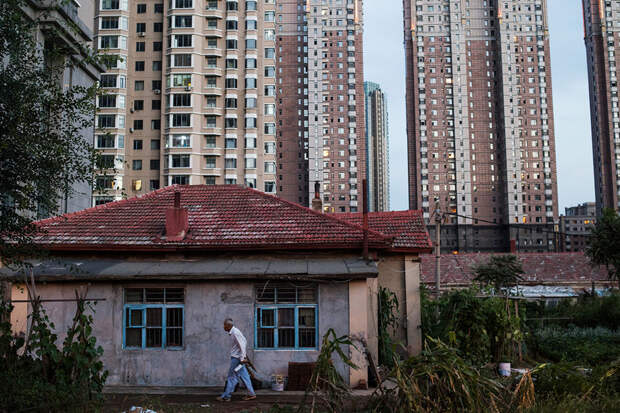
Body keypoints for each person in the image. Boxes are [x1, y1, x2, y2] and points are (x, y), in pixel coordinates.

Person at [216, 318, 257, 402]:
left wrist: (242, 358)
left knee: (231, 377)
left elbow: (242, 344)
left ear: (228, 325)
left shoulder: (235, 332)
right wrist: (243, 357)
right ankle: (251, 394)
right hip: (239, 358)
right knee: (245, 376)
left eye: (224, 325)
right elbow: (243, 343)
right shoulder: (234, 332)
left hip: (237, 359)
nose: (223, 327)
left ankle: (226, 396)